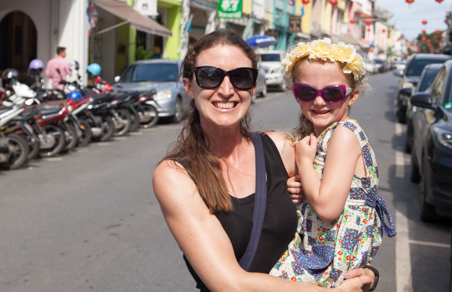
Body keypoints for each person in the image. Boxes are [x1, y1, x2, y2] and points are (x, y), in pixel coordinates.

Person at [152, 30, 375, 292]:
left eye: (240, 77)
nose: (226, 90)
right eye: (210, 76)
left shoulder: (282, 149)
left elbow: (349, 208)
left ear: (253, 86)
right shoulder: (175, 176)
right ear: (189, 85)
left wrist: (365, 272)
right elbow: (230, 284)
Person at [270, 38, 395, 287]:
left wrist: (304, 163)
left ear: (352, 95)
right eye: (306, 91)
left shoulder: (343, 135)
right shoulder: (327, 134)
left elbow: (328, 208)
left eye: (332, 93)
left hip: (329, 264)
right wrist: (305, 187)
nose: (318, 101)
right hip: (324, 256)